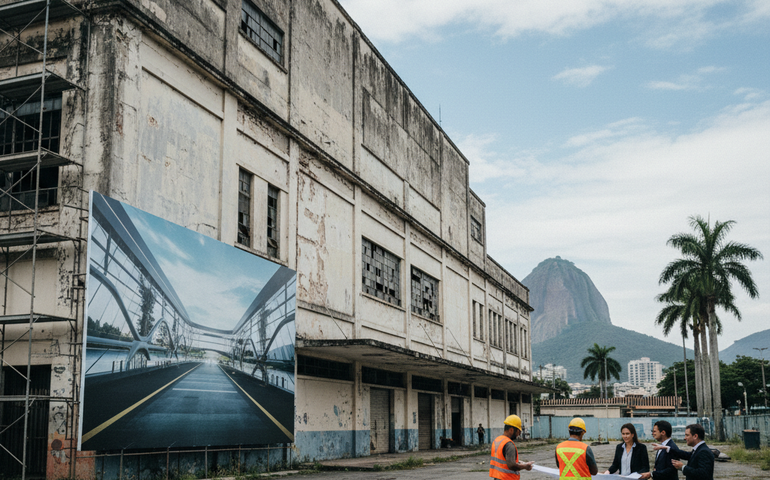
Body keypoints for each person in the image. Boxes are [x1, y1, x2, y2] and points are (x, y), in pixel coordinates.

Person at [489, 415, 534, 479]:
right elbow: (511, 465)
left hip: (498, 477)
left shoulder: (497, 440)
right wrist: (525, 466)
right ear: (511, 430)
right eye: (518, 431)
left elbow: (503, 459)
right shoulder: (509, 444)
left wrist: (519, 463)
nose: (518, 434)